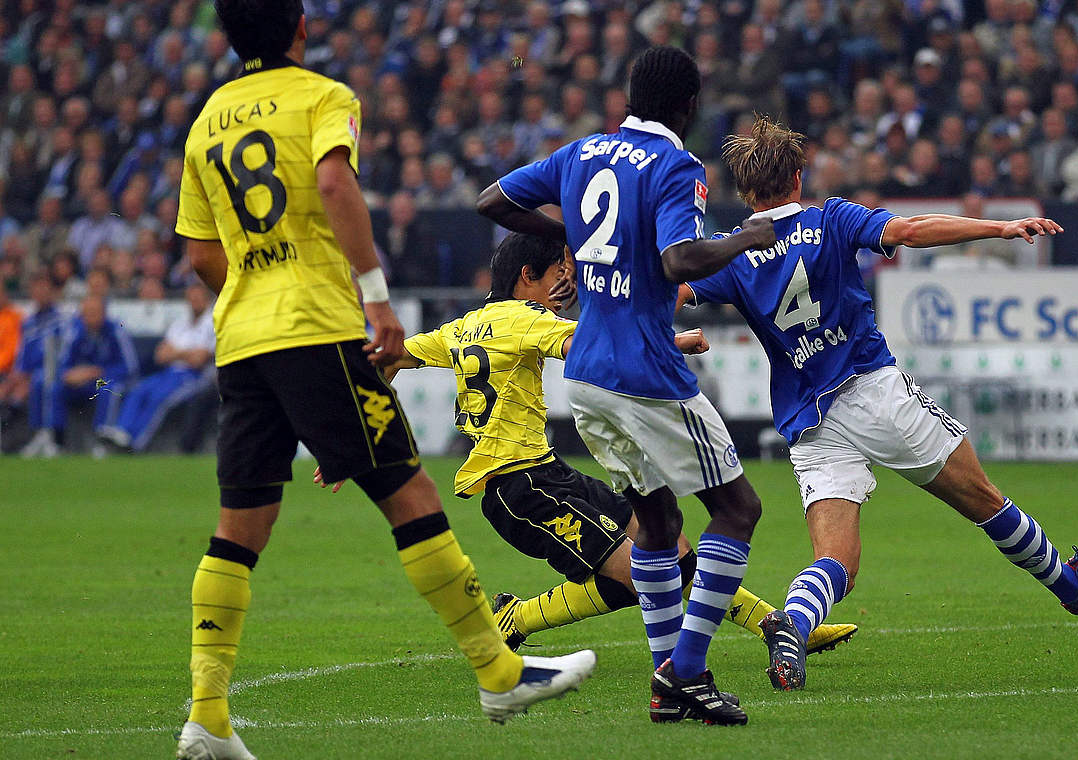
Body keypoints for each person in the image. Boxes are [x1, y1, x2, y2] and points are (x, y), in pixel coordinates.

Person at [171, 4, 593, 758]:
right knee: (411, 493)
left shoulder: (207, 122)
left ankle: (207, 716)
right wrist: (374, 295)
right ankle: (498, 671)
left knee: (241, 524)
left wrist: (258, 297)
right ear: (299, 27)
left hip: (241, 340)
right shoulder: (323, 97)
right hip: (320, 329)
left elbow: (201, 256)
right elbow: (334, 185)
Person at [676, 117, 1078, 691]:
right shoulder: (830, 217)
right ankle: (1070, 584)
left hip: (808, 420)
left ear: (744, 191)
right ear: (799, 176)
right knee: (982, 498)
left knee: (838, 564)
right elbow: (908, 230)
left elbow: (674, 291)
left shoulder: (731, 254)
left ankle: (795, 626)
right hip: (871, 392)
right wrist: (998, 228)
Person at [316, 234, 855, 681]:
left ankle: (776, 625)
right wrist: (673, 344)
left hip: (548, 474)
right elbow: (591, 344)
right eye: (559, 270)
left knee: (671, 549)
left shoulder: (463, 327)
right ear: (527, 275)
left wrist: (344, 439)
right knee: (647, 573)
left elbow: (391, 360)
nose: (568, 281)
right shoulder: (526, 320)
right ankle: (771, 629)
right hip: (519, 489)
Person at [477, 46, 777, 725]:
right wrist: (743, 237)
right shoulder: (677, 167)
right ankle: (686, 671)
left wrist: (574, 235)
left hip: (586, 377)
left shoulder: (582, 153)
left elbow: (491, 200)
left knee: (659, 523)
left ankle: (665, 688)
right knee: (737, 512)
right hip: (647, 374)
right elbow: (678, 259)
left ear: (630, 96)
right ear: (689, 107)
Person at [96, 282, 216, 451]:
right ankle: (121, 432)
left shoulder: (212, 323)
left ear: (206, 300)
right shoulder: (180, 323)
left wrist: (175, 352)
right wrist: (186, 353)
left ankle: (135, 444)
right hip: (169, 372)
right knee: (139, 389)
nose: (194, 302)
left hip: (192, 377)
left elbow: (199, 359)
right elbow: (160, 356)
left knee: (160, 399)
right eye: (191, 298)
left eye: (198, 298)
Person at [23, 295, 138, 458]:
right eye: (87, 313)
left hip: (105, 379)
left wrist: (95, 372)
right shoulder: (75, 331)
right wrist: (68, 374)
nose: (90, 317)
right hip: (80, 383)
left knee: (109, 389)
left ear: (104, 313)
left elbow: (129, 367)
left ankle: (103, 441)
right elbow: (63, 363)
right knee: (48, 383)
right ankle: (53, 439)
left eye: (95, 312)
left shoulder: (116, 331)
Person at [0, 275, 63, 444]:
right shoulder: (28, 323)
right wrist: (17, 375)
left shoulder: (61, 320)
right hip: (27, 373)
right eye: (37, 288)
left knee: (39, 381)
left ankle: (44, 436)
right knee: (7, 388)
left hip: (52, 372)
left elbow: (61, 354)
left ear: (53, 292)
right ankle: (10, 442)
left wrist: (26, 375)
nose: (41, 293)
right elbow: (22, 356)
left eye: (45, 288)